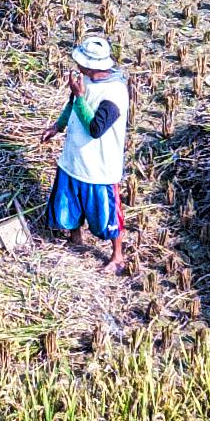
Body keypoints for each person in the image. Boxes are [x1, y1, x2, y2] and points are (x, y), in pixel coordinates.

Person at [50, 34, 132, 273]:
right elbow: (72, 106)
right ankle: (75, 238)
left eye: (81, 63)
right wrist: (57, 126)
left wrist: (79, 96)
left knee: (107, 215)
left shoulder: (115, 93)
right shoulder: (84, 80)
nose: (77, 66)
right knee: (70, 203)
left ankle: (117, 257)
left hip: (99, 167)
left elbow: (96, 129)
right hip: (73, 158)